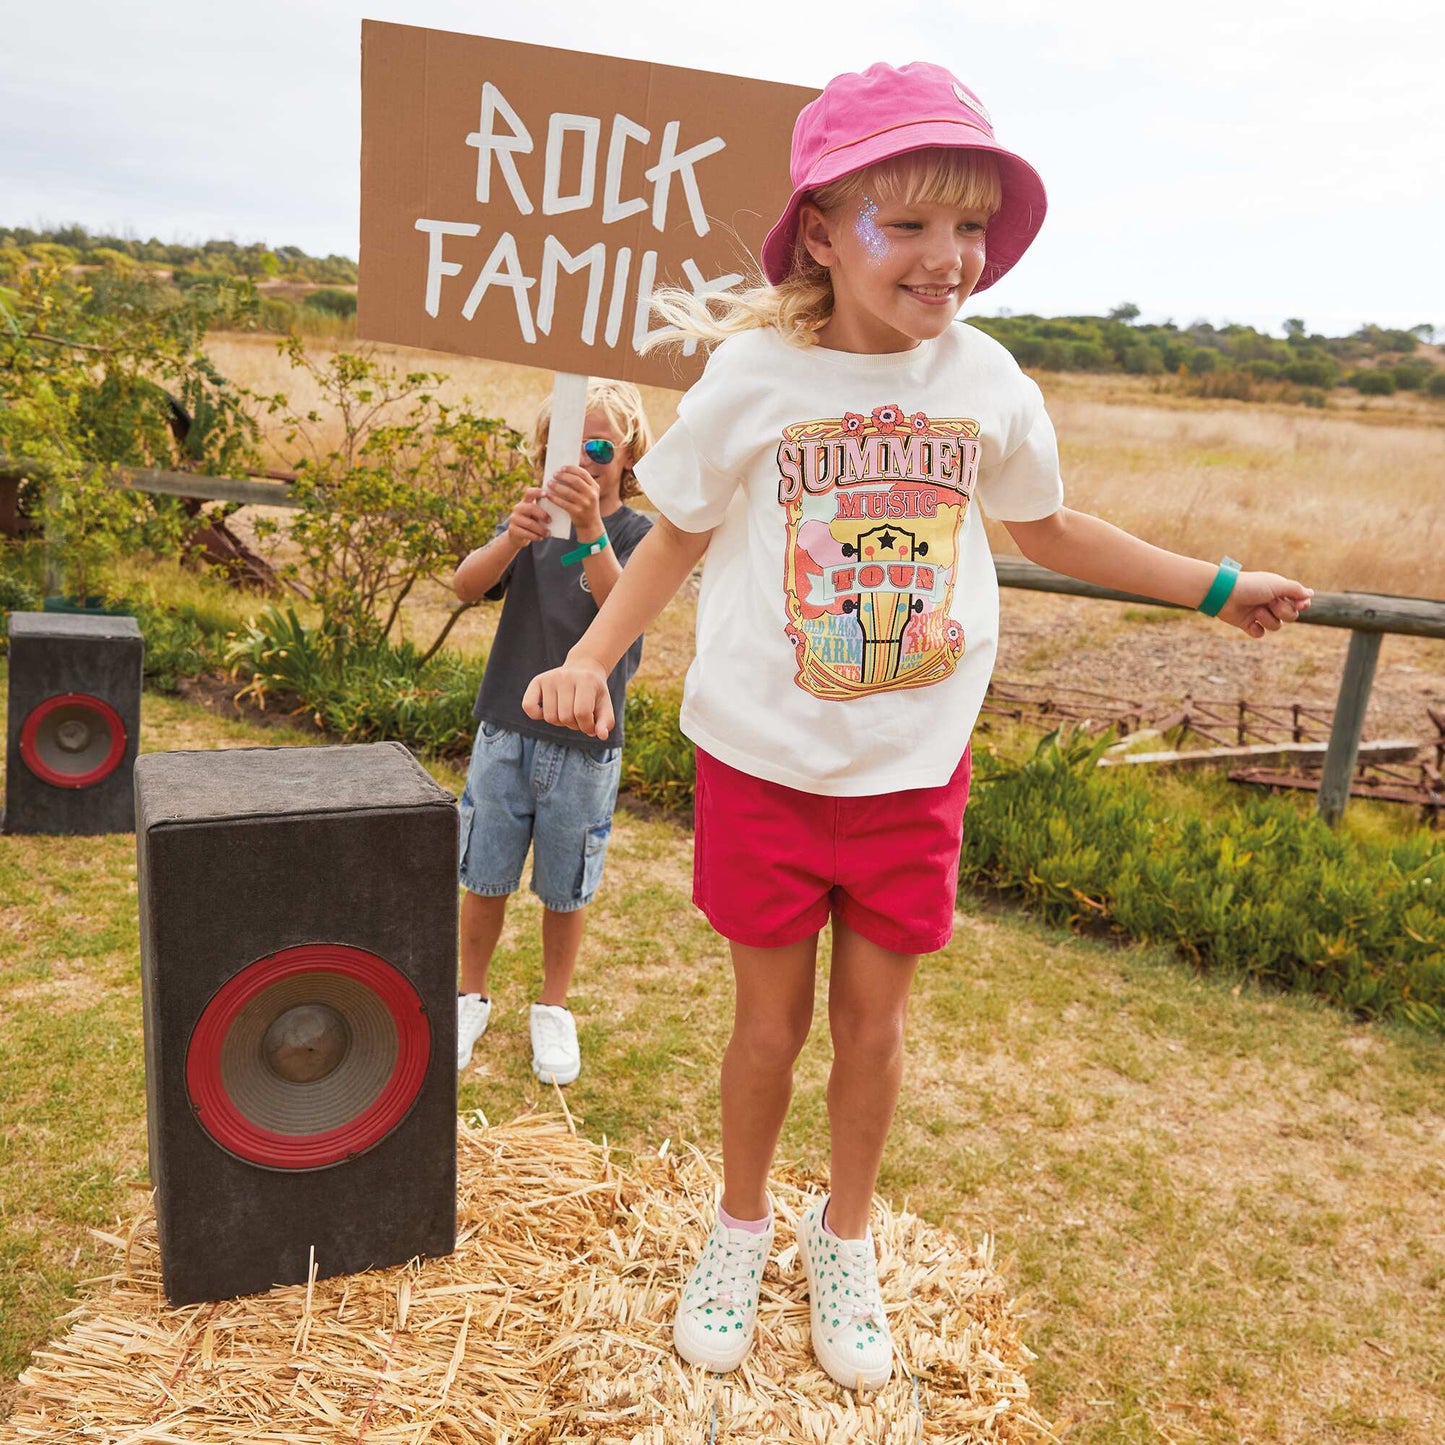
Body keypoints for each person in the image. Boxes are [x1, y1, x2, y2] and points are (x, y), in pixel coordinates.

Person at [522, 62, 1312, 1389]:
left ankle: (844, 1237)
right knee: (766, 1028)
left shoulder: (987, 378)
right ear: (823, 232)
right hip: (766, 766)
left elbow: (1049, 525)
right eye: (909, 224)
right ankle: (741, 1223)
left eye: (971, 227)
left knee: (874, 1031)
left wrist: (1213, 587)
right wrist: (595, 657)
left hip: (908, 775)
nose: (949, 258)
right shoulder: (752, 374)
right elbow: (679, 538)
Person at [452, 380, 654, 1086]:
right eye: (564, 447)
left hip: (585, 743)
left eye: (599, 447)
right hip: (505, 729)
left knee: (566, 885)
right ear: (540, 454)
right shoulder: (531, 525)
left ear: (628, 455)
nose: (582, 461)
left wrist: (591, 529)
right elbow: (464, 585)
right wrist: (512, 536)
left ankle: (552, 1005)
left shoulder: (637, 536)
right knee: (485, 871)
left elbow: (620, 607)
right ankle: (467, 993)